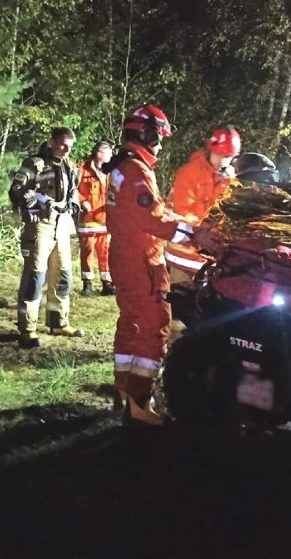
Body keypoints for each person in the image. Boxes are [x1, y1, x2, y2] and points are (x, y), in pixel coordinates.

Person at [104, 105, 192, 426]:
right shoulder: (136, 170)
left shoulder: (122, 166)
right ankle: (140, 404)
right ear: (146, 133)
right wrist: (193, 233)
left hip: (125, 254)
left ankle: (124, 391)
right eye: (158, 138)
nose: (159, 145)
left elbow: (149, 211)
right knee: (155, 326)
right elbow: (152, 217)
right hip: (142, 258)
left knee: (131, 324)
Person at [9, 127, 84, 348]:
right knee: (35, 277)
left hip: (62, 225)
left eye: (70, 146)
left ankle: (58, 322)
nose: (67, 149)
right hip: (40, 225)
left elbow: (74, 192)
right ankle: (27, 329)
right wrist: (30, 199)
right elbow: (16, 191)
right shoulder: (35, 164)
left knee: (63, 276)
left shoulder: (70, 165)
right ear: (52, 142)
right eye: (63, 144)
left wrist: (74, 205)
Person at [165, 126, 241, 286]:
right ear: (213, 150)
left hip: (211, 253)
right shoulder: (188, 173)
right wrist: (205, 231)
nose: (227, 160)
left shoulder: (230, 178)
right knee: (181, 301)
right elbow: (183, 211)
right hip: (184, 252)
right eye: (224, 156)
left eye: (230, 157)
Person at [76, 140, 115, 296]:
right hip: (88, 220)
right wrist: (82, 201)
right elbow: (72, 190)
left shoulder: (110, 171)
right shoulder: (81, 169)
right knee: (87, 252)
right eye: (109, 153)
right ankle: (87, 284)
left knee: (106, 253)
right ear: (100, 154)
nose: (111, 156)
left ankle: (107, 284)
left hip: (105, 220)